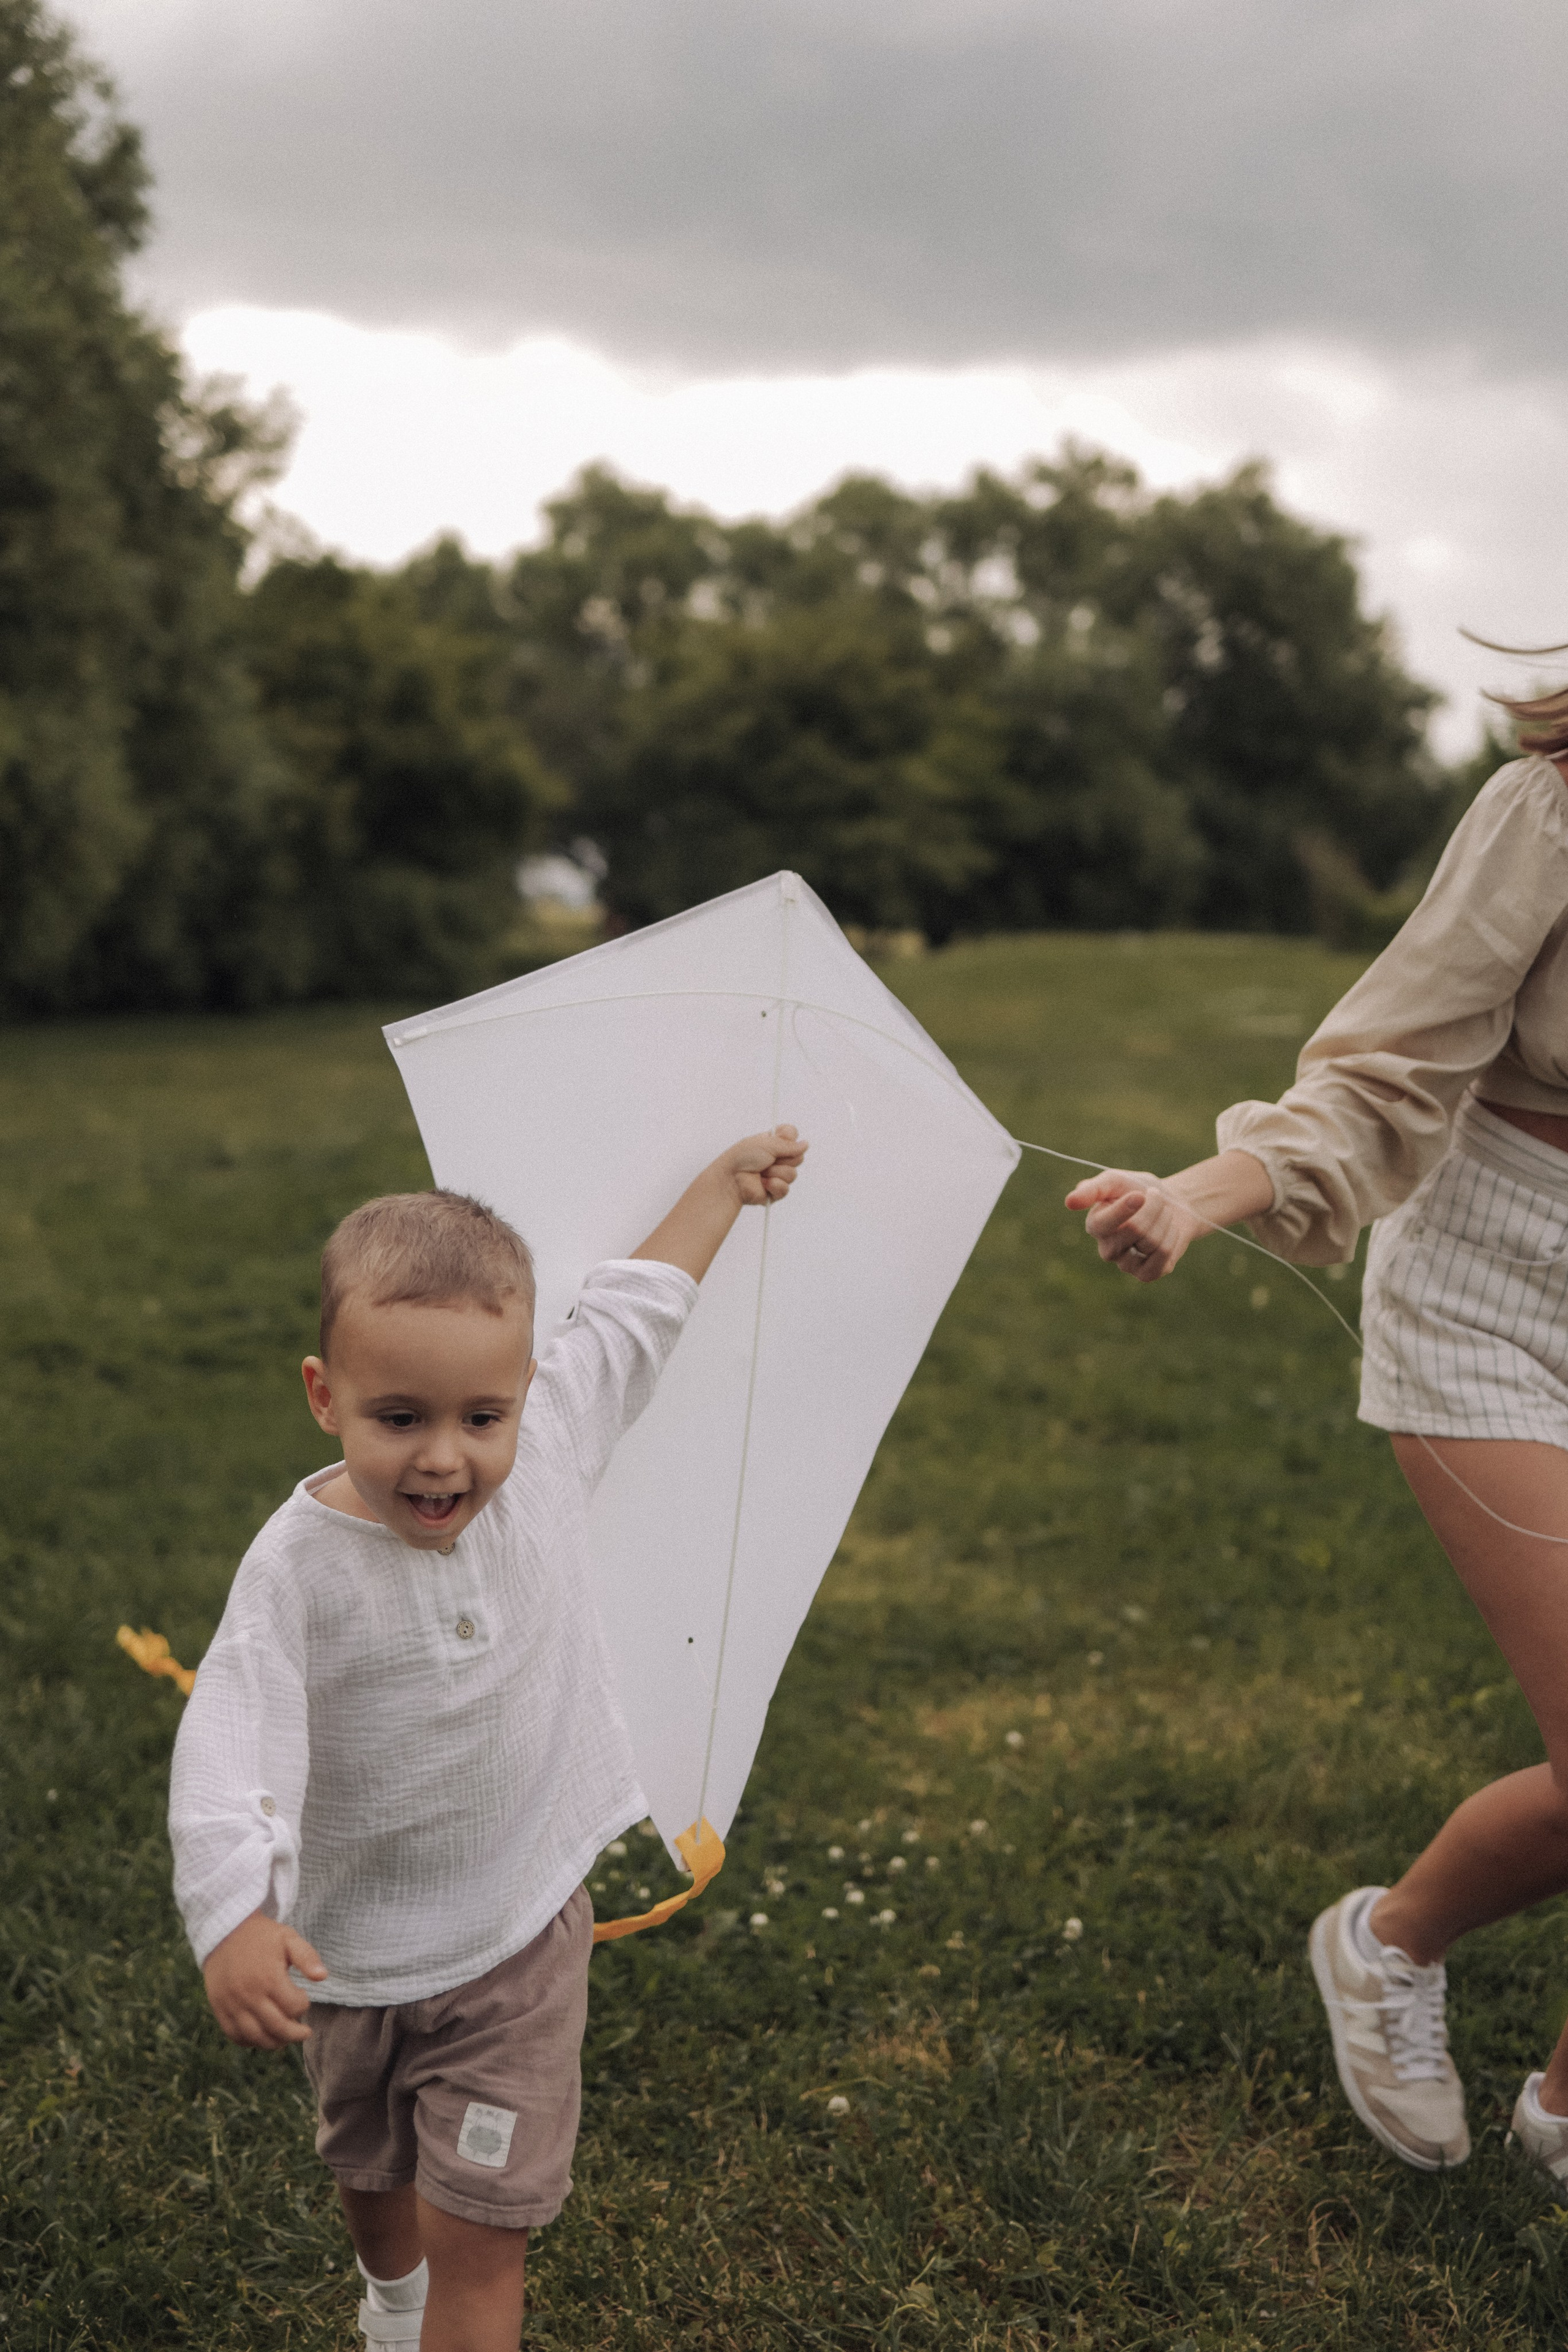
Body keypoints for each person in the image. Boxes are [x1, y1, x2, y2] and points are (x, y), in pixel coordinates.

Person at [168, 1126, 807, 2352]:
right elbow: (233, 1739)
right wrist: (237, 1914)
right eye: (398, 1416)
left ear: (521, 1396)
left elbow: (632, 1317)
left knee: (482, 2234)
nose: (445, 1457)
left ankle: (438, 2305)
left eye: (481, 1415)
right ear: (324, 1394)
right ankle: (389, 2303)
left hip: (514, 1935)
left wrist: (716, 1189)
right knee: (373, 2181)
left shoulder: (551, 1449)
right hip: (350, 1955)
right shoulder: (297, 1570)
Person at [1066, 690, 1568, 2195]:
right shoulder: (1547, 810)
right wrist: (1205, 1195)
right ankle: (1386, 1943)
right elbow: (1380, 1073)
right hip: (1494, 1288)